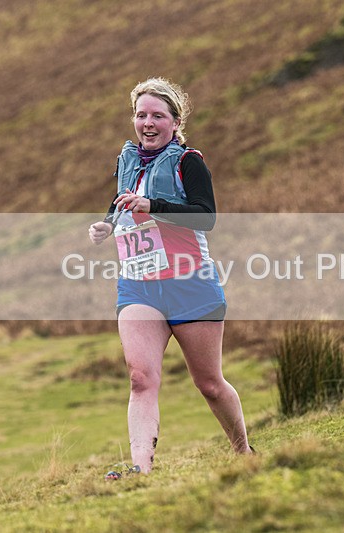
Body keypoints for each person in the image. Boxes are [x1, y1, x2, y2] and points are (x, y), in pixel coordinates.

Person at [89, 77, 252, 478]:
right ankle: (141, 470)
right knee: (141, 378)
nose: (148, 122)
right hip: (137, 285)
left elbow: (205, 217)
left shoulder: (188, 162)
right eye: (141, 115)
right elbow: (122, 200)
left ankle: (244, 451)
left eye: (157, 116)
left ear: (175, 121)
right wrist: (108, 225)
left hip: (189, 284)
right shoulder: (127, 159)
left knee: (210, 384)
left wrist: (154, 205)